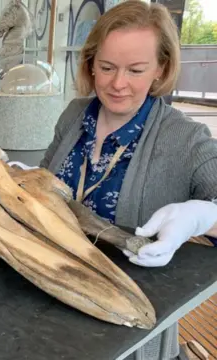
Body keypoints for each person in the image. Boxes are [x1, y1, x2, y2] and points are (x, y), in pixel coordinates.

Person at [41, 0, 217, 269]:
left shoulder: (186, 138)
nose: (118, 84)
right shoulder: (74, 114)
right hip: (50, 271)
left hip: (131, 293)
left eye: (135, 70)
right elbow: (43, 179)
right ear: (91, 63)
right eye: (107, 67)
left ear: (161, 68)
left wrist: (200, 216)